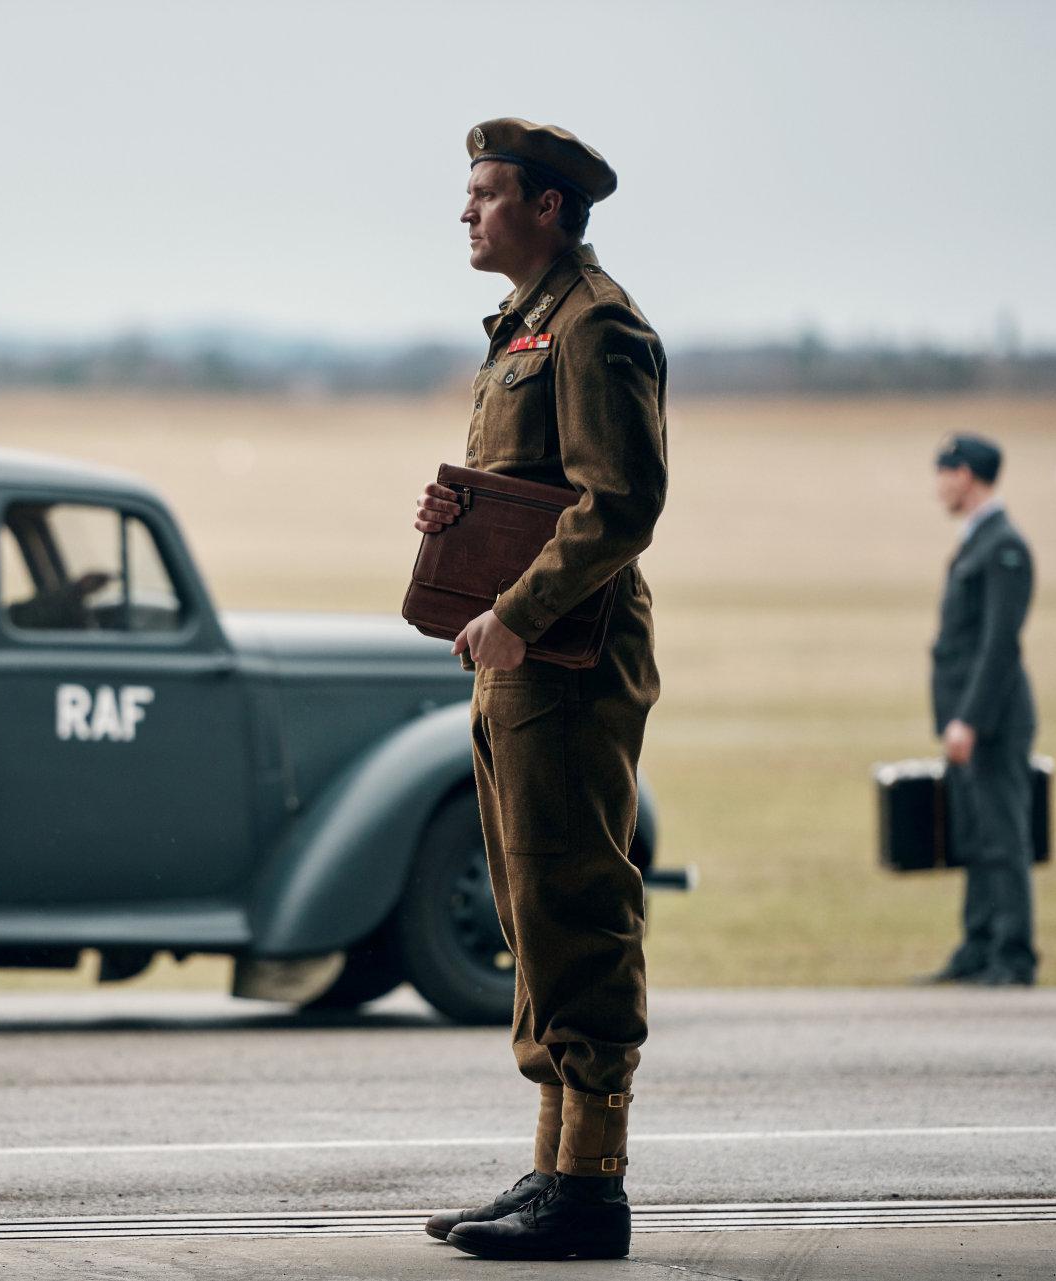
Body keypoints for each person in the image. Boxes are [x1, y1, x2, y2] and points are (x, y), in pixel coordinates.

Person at [413, 118, 667, 1261]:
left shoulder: (598, 322)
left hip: (565, 655)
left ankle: (593, 1185)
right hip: (515, 653)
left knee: (574, 898)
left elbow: (620, 505)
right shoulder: (528, 324)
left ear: (549, 207)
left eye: (487, 192)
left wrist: (513, 615)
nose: (466, 212)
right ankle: (554, 1166)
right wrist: (459, 524)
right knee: (527, 902)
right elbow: (539, 488)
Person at [919, 432, 1039, 986]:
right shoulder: (978, 540)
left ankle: (1013, 954)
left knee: (1004, 834)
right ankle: (978, 945)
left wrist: (969, 718)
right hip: (967, 718)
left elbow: (999, 644)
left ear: (965, 476)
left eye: (944, 472)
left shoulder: (1003, 547)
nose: (939, 483)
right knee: (975, 831)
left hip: (993, 719)